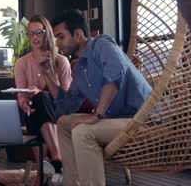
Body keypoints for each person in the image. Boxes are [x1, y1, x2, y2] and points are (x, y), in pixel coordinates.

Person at [38, 10, 151, 186]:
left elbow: (115, 73)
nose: (58, 44)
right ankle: (72, 183)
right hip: (117, 122)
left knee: (83, 132)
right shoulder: (80, 68)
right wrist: (48, 76)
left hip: (142, 119)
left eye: (61, 37)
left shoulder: (102, 44)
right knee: (64, 123)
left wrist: (97, 114)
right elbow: (65, 108)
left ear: (78, 34)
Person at [14, 14, 71, 175]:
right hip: (33, 112)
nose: (34, 37)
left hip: (58, 111)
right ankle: (56, 158)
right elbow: (21, 95)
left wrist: (44, 87)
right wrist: (24, 104)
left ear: (47, 33)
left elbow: (65, 99)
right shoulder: (22, 63)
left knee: (40, 98)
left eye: (38, 32)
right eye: (30, 33)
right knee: (34, 105)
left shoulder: (61, 61)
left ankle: (43, 168)